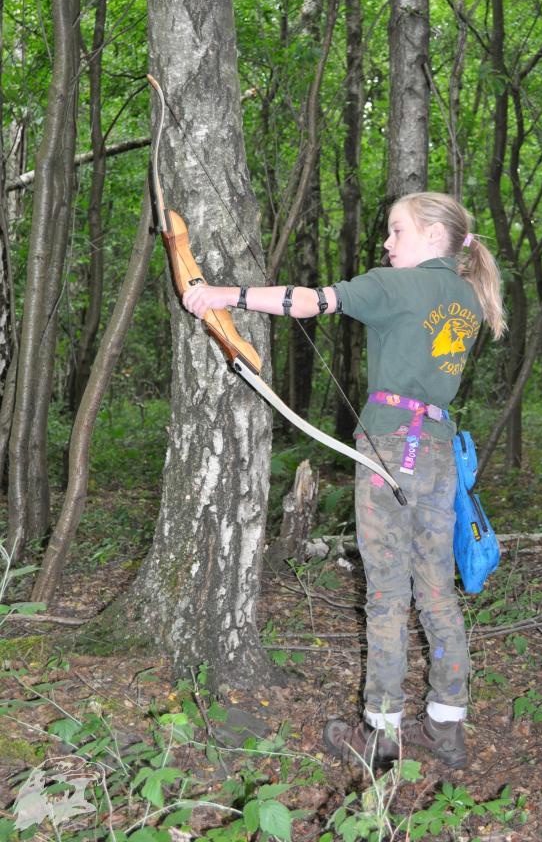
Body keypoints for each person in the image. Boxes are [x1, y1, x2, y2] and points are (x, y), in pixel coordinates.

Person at [182, 191, 505, 771]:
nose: (386, 241)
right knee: (435, 590)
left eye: (396, 230)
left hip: (390, 450)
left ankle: (381, 734)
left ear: (434, 236)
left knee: (386, 593)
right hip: (436, 452)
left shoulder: (395, 284)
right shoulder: (468, 297)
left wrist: (217, 296)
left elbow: (309, 302)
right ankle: (447, 728)